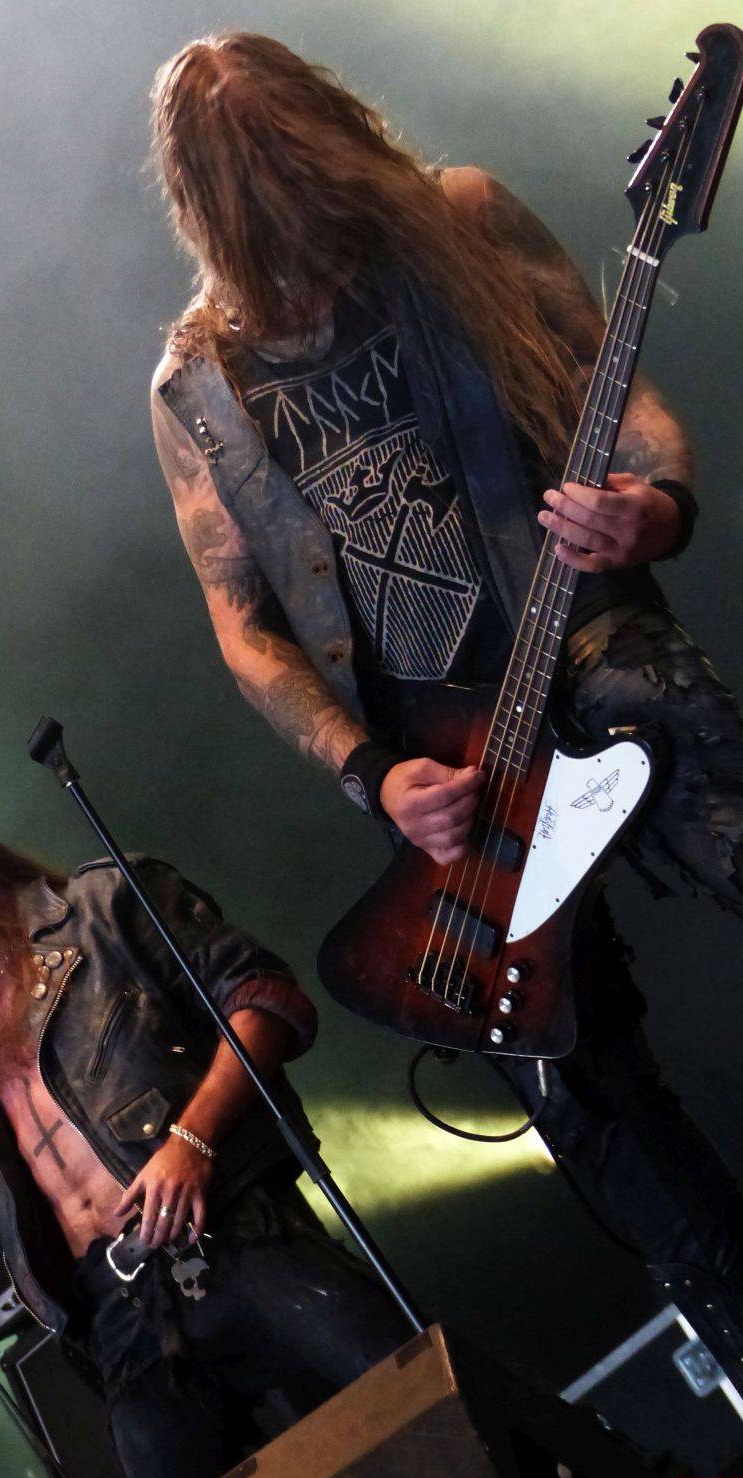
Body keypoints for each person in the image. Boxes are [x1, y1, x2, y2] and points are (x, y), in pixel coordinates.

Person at [149, 33, 743, 1391]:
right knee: (577, 1088)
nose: (313, 263)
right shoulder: (196, 389)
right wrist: (371, 773)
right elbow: (243, 624)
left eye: (322, 206)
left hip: (581, 639)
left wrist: (655, 504)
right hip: (442, 767)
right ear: (216, 218)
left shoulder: (456, 217)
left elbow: (611, 387)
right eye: (276, 233)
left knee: (702, 774)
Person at [0, 782, 408, 1478]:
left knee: (417, 1398)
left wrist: (191, 1141)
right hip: (122, 1319)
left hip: (233, 1234)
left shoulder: (102, 910)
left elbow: (265, 1000)